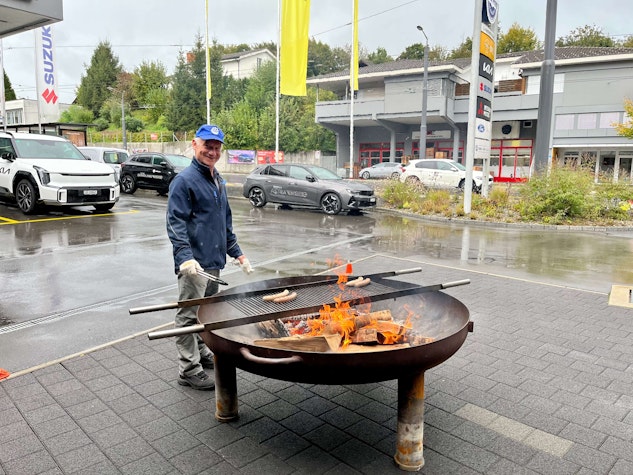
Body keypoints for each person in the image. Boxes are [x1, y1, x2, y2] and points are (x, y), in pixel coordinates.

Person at [166, 124, 253, 390]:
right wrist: (184, 257)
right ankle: (188, 369)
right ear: (195, 144)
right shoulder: (184, 181)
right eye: (207, 146)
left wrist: (237, 253)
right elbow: (175, 222)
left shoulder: (218, 180)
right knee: (188, 316)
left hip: (215, 262)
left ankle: (202, 354)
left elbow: (223, 222)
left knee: (207, 313)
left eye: (216, 147)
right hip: (194, 266)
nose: (212, 152)